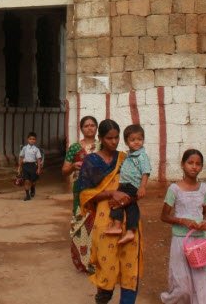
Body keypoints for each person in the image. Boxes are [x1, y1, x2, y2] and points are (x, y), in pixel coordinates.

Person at [77, 119, 142, 304]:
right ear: (100, 138)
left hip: (129, 215)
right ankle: (103, 298)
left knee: (130, 264)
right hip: (105, 219)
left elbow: (137, 184)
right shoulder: (91, 161)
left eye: (116, 138)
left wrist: (129, 196)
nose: (113, 142)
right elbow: (85, 195)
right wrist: (112, 192)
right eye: (109, 138)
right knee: (106, 264)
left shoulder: (126, 158)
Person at [160, 149, 206, 304]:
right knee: (182, 286)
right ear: (183, 164)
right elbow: (164, 216)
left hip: (200, 243)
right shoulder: (174, 189)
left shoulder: (205, 189)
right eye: (190, 163)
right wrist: (183, 221)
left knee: (202, 282)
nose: (194, 167)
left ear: (201, 167)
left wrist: (205, 224)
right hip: (181, 241)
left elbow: (204, 213)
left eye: (198, 164)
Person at [63, 115, 99, 273]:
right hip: (80, 191)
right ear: (81, 129)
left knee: (98, 223)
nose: (90, 128)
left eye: (92, 125)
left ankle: (97, 261)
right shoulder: (75, 148)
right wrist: (73, 166)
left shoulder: (103, 145)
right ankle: (83, 262)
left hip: (100, 191)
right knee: (80, 222)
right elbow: (64, 171)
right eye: (86, 126)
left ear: (96, 128)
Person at [105, 124, 151, 245]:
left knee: (117, 202)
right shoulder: (128, 155)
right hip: (125, 184)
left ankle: (117, 225)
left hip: (132, 185)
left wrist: (142, 187)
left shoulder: (142, 156)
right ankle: (130, 231)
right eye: (133, 140)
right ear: (126, 141)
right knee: (131, 206)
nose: (136, 142)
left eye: (139, 139)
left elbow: (146, 172)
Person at [17, 132, 43, 201]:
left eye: (33, 139)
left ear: (35, 140)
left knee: (33, 181)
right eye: (30, 139)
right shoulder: (24, 148)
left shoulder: (36, 149)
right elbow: (21, 157)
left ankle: (33, 188)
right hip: (25, 166)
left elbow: (38, 159)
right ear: (27, 140)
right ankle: (27, 195)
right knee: (26, 181)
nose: (32, 140)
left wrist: (39, 168)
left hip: (33, 166)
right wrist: (19, 167)